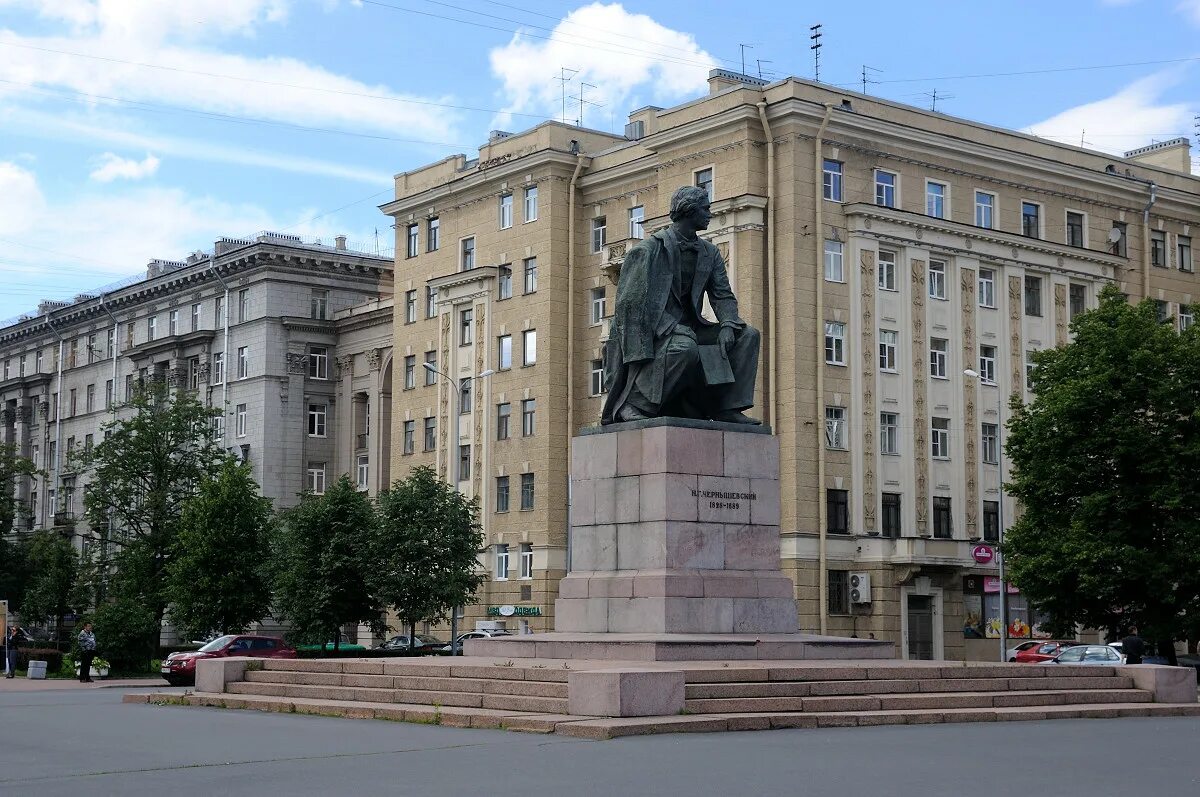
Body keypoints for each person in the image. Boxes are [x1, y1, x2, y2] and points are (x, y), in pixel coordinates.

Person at [601, 185, 761, 425]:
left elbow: (722, 295)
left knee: (747, 335)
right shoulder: (648, 250)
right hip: (656, 329)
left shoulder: (709, 252)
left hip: (692, 327)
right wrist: (671, 327)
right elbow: (633, 304)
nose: (709, 213)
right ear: (689, 210)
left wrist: (728, 323)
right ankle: (635, 403)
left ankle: (726, 406)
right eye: (705, 209)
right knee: (684, 347)